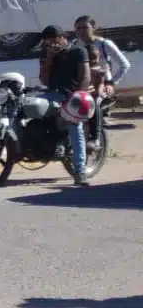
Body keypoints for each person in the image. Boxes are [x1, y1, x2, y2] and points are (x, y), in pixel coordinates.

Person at [39, 25, 93, 186]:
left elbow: (85, 77)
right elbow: (44, 80)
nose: (51, 46)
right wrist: (49, 58)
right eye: (48, 44)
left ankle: (80, 170)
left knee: (75, 127)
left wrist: (76, 96)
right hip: (51, 94)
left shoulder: (78, 52)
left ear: (63, 38)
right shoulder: (47, 54)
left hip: (71, 95)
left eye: (54, 42)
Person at [72, 15, 130, 102]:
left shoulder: (104, 44)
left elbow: (125, 65)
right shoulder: (75, 45)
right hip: (83, 84)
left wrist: (111, 83)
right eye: (78, 28)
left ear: (93, 28)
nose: (81, 31)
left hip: (103, 84)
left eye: (85, 27)